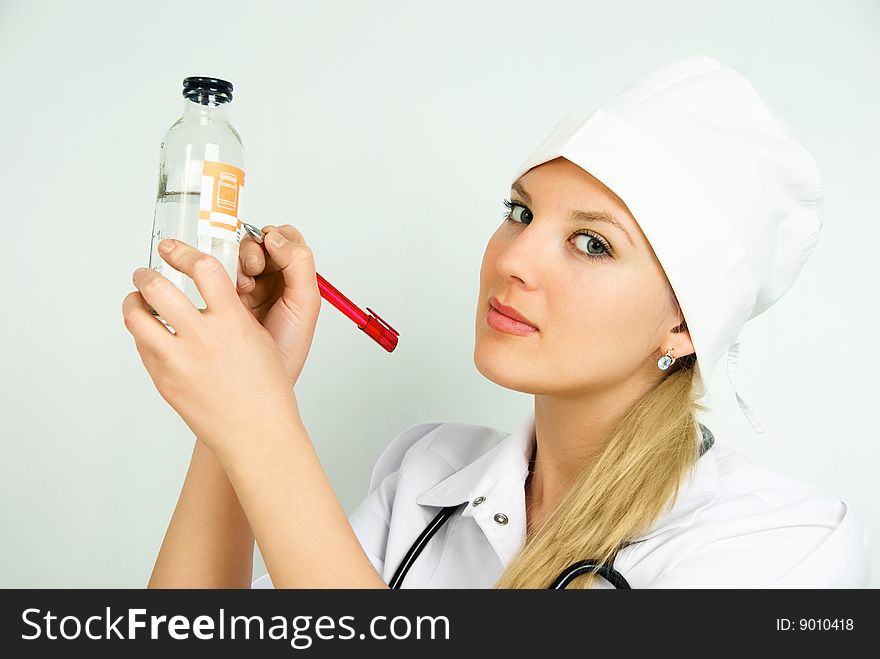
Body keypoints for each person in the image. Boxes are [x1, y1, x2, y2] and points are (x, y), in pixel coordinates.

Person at [123, 56, 870, 589]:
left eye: (592, 242)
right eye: (520, 212)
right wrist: (238, 404)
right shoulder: (426, 480)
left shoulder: (785, 548)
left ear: (683, 325)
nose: (515, 258)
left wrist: (262, 425)